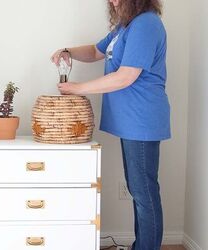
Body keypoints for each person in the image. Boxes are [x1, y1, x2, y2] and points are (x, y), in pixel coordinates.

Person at [51, 0, 170, 249]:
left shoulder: (146, 24)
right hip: (131, 122)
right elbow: (95, 51)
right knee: (139, 190)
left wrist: (78, 88)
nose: (114, 2)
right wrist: (68, 51)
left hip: (142, 121)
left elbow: (126, 76)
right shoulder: (124, 28)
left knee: (144, 193)